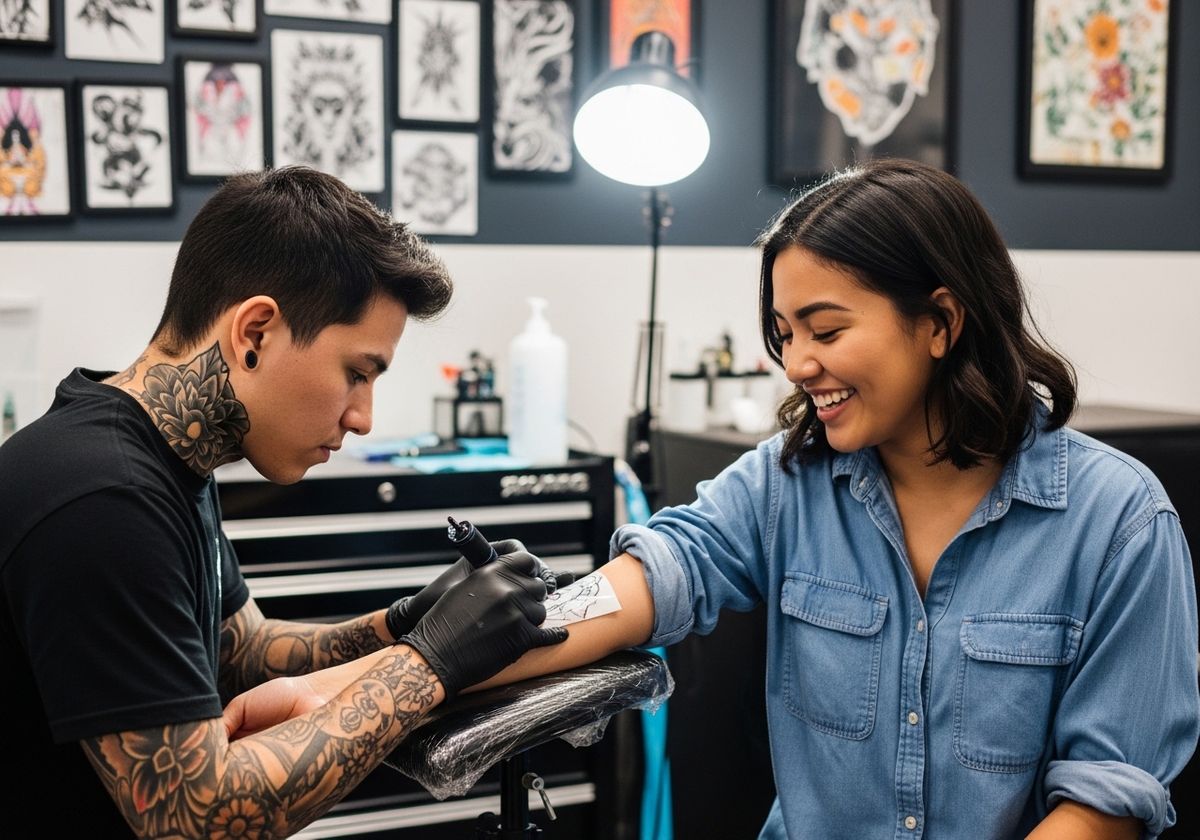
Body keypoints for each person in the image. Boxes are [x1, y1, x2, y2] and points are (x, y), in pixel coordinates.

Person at [239, 159, 1199, 839]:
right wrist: (341, 690)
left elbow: (1108, 800)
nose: (798, 363)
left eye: (825, 328)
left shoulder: (1120, 525)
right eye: (783, 332)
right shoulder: (787, 484)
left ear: (940, 321)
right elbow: (638, 583)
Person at [0, 165, 569, 839]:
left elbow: (241, 652)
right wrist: (432, 662)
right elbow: (199, 819)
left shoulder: (167, 456)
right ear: (255, 334)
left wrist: (409, 620)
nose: (362, 417)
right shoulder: (103, 499)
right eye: (356, 373)